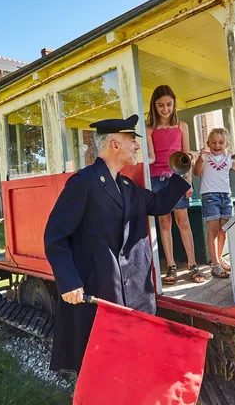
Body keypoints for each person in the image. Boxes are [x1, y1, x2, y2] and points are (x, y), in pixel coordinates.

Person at [44, 114, 190, 374]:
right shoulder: (83, 183)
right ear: (114, 145)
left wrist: (181, 172)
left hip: (136, 292)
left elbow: (159, 204)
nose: (136, 146)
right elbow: (55, 236)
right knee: (102, 365)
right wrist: (69, 281)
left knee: (134, 361)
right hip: (101, 291)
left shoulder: (127, 185)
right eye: (132, 140)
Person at [146, 85, 205, 285]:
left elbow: (187, 156)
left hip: (178, 178)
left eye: (169, 104)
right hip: (157, 180)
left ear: (174, 104)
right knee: (165, 223)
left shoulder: (182, 126)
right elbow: (151, 158)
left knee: (184, 222)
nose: (165, 109)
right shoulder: (149, 129)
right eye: (161, 105)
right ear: (154, 106)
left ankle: (192, 264)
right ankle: (171, 266)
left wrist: (188, 182)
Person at [193, 127, 235, 278]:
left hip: (226, 197)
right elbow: (197, 172)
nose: (217, 145)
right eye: (213, 142)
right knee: (212, 231)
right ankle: (214, 264)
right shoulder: (205, 158)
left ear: (226, 144)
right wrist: (200, 158)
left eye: (220, 142)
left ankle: (219, 259)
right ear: (208, 143)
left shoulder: (229, 160)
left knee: (223, 230)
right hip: (210, 196)